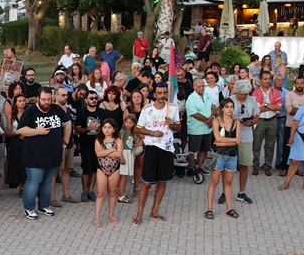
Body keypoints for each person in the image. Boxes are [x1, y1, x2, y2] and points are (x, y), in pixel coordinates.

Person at [17, 89, 71, 220]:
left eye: (49, 99)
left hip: (53, 153)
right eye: (43, 99)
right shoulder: (31, 111)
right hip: (34, 155)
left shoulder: (57, 109)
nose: (46, 102)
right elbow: (20, 129)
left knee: (47, 181)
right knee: (34, 181)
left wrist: (65, 142)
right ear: (37, 98)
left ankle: (43, 205)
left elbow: (68, 123)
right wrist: (38, 131)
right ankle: (29, 208)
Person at [132, 85, 182, 225]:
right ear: (154, 93)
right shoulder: (147, 109)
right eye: (159, 93)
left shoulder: (172, 107)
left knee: (162, 182)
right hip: (152, 147)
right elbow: (138, 128)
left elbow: (178, 126)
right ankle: (139, 213)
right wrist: (153, 133)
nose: (162, 95)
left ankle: (154, 211)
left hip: (167, 149)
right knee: (146, 183)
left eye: (164, 92)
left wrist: (171, 125)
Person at [203, 100, 242, 217]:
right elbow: (217, 138)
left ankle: (229, 208)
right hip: (219, 155)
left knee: (228, 182)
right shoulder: (216, 121)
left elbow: (237, 140)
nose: (230, 109)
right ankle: (209, 208)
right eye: (227, 107)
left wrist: (224, 142)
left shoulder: (237, 122)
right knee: (214, 182)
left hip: (232, 155)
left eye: (231, 107)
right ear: (222, 108)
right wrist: (233, 140)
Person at [228, 80, 259, 206]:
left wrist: (251, 122)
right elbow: (223, 116)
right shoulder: (230, 100)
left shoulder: (252, 100)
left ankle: (242, 192)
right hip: (231, 137)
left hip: (246, 137)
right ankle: (226, 192)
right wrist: (236, 121)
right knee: (227, 166)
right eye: (241, 94)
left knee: (244, 165)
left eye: (245, 94)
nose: (243, 96)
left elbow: (257, 115)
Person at [251, 72, 283, 177]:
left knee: (270, 145)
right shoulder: (255, 93)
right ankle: (255, 166)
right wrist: (270, 105)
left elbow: (278, 107)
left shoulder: (275, 92)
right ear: (260, 80)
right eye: (265, 79)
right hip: (260, 120)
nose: (267, 81)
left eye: (269, 78)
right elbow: (257, 108)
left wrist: (264, 104)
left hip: (272, 120)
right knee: (256, 144)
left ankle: (267, 166)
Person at [92, 119, 122, 226]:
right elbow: (98, 154)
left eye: (109, 127)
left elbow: (119, 154)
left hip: (114, 168)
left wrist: (105, 152)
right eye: (105, 127)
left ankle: (111, 214)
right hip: (101, 168)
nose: (107, 130)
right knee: (100, 193)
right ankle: (97, 218)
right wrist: (112, 150)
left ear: (114, 129)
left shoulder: (118, 140)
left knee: (112, 192)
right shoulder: (98, 140)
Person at [185, 77, 215, 180]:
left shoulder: (207, 95)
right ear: (194, 87)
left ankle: (199, 167)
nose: (201, 88)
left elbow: (213, 107)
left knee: (204, 149)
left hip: (208, 129)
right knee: (193, 150)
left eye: (202, 86)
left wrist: (212, 118)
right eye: (199, 86)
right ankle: (191, 168)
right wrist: (207, 121)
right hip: (196, 129)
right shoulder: (191, 98)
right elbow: (194, 113)